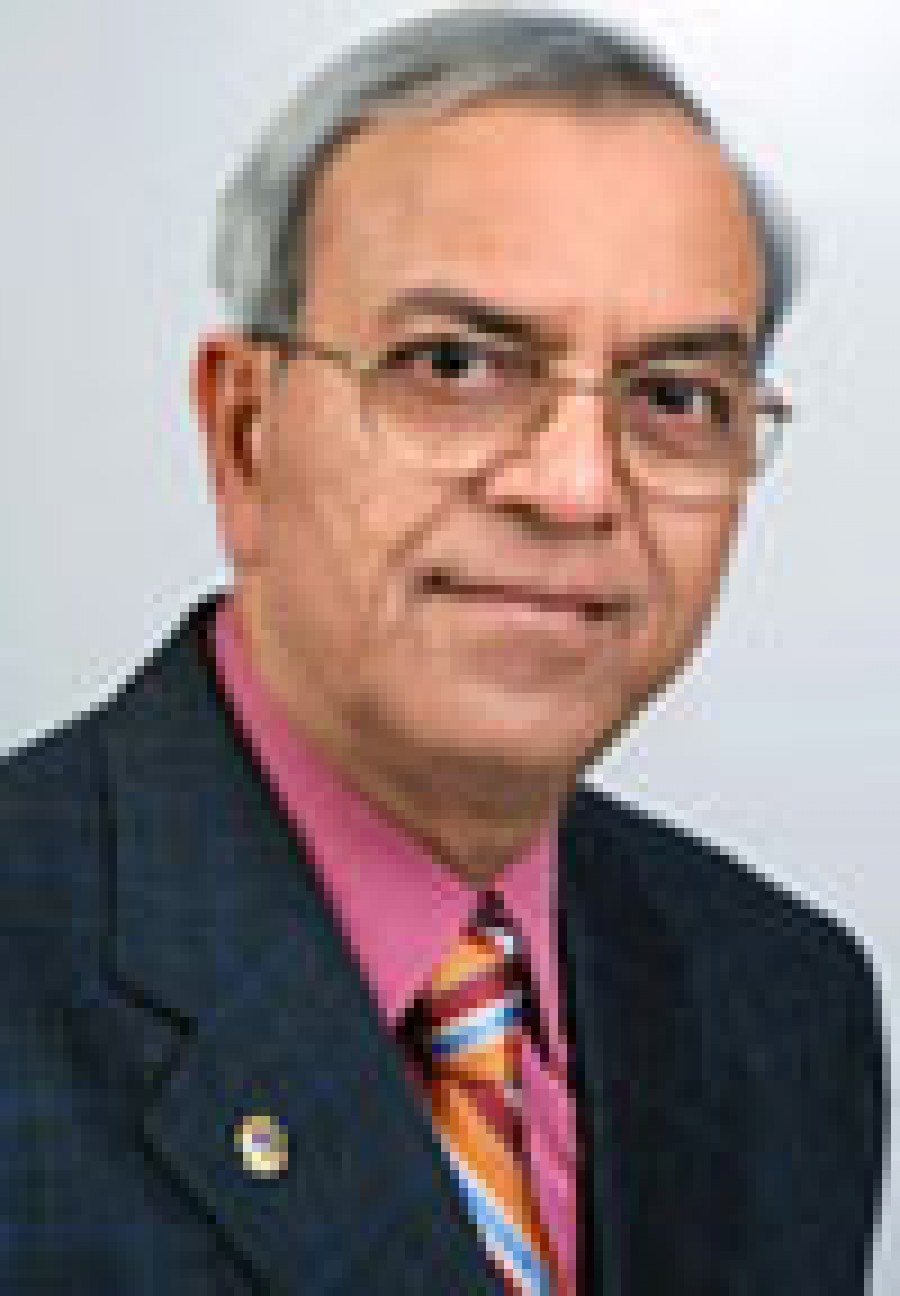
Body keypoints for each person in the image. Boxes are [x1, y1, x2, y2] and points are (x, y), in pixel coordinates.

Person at [0, 7, 887, 1294]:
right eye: (456, 366)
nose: (576, 489)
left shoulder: (785, 1003)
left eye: (674, 397)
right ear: (245, 433)